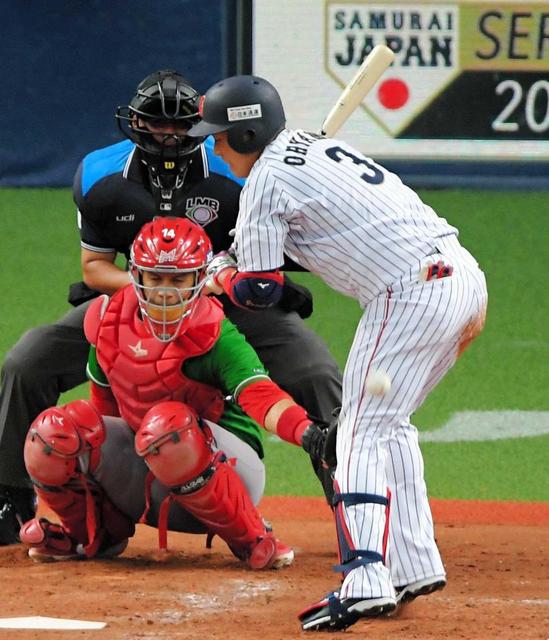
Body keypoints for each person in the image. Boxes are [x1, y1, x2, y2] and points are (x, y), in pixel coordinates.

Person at [187, 75, 488, 630]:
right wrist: (243, 255)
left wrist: (223, 272)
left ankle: (365, 578)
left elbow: (259, 292)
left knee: (355, 432)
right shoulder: (315, 148)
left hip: (412, 291)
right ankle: (411, 564)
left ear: (249, 132)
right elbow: (318, 237)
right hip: (460, 279)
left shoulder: (267, 182)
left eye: (222, 137)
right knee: (387, 425)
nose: (214, 146)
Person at [0, 70, 342, 544]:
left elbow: (270, 261)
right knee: (28, 359)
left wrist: (215, 282)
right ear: (134, 123)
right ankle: (9, 501)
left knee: (315, 373)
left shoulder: (237, 172)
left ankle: (353, 501)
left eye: (178, 125)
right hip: (131, 305)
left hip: (227, 298)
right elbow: (95, 267)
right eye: (154, 124)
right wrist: (157, 290)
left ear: (198, 127)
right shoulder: (100, 174)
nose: (166, 134)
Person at [19, 217, 327, 568]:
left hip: (230, 472)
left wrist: (309, 434)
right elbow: (104, 416)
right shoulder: (108, 320)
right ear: (136, 275)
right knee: (51, 433)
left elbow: (261, 396)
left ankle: (252, 538)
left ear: (200, 281)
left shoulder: (215, 333)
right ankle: (93, 535)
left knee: (168, 426)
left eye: (178, 279)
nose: (166, 292)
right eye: (156, 278)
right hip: (151, 459)